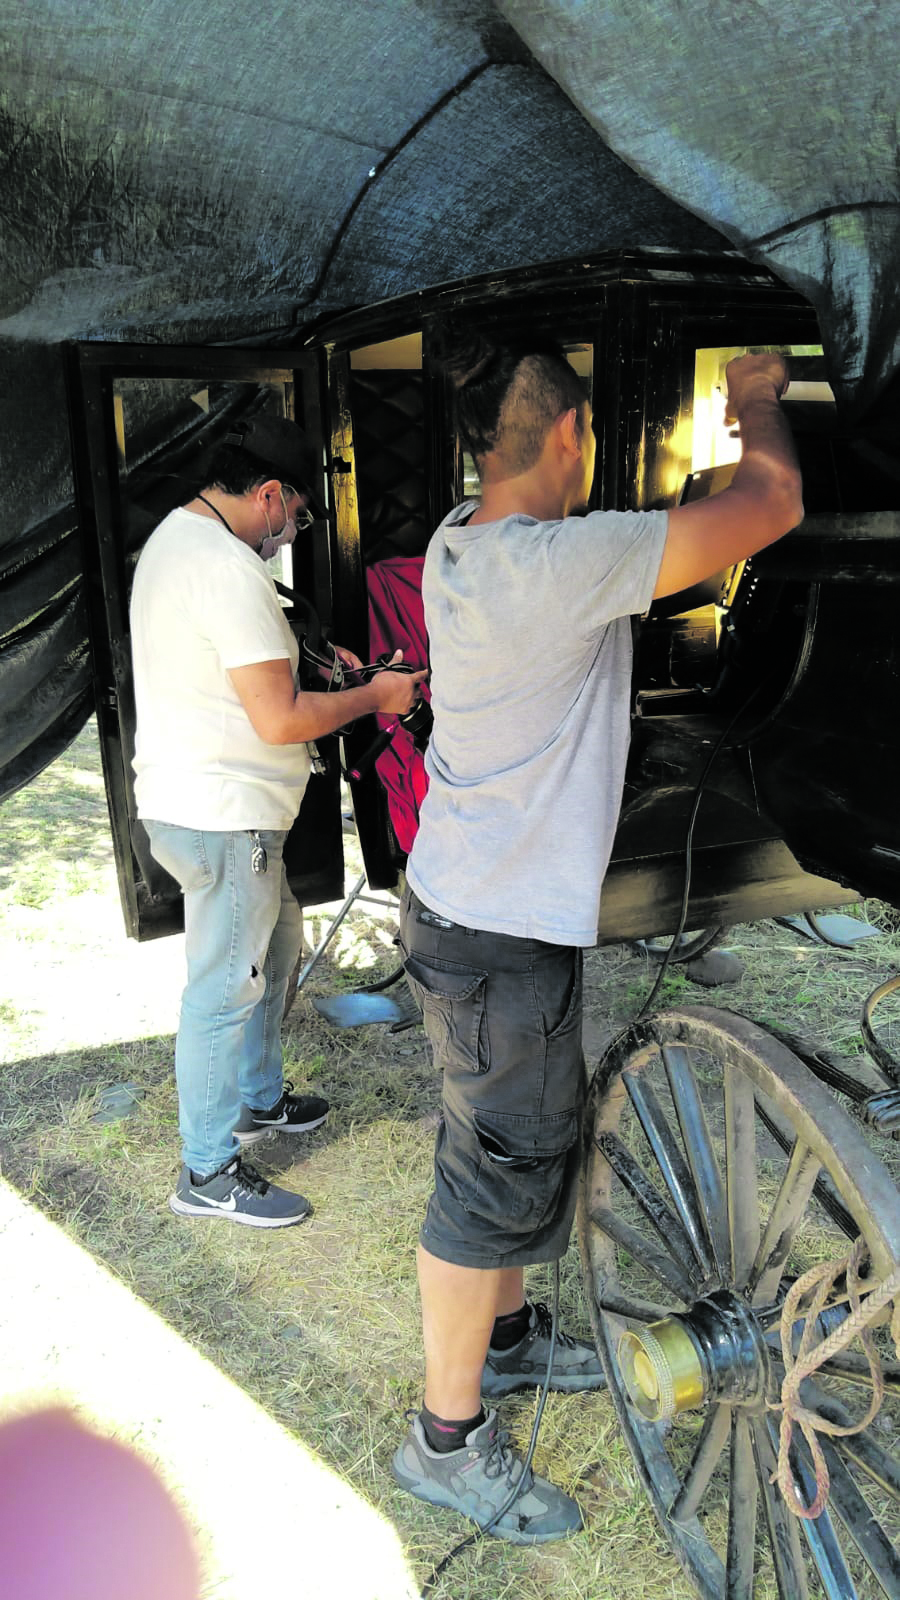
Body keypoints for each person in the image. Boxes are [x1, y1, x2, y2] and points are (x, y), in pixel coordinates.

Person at [391, 332, 802, 1540]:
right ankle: (445, 1440)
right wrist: (755, 398)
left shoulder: (462, 538)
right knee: (488, 1181)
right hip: (498, 925)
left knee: (507, 1148)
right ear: (571, 437)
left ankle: (509, 1340)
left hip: (472, 905)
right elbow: (769, 502)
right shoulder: (564, 561)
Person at [130, 413, 425, 1228]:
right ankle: (206, 1171)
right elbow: (281, 718)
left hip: (221, 807)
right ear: (267, 494)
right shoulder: (225, 569)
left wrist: (346, 674)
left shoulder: (176, 542)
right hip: (223, 817)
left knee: (277, 948)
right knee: (224, 989)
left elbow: (248, 681)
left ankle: (257, 1098)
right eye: (295, 515)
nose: (293, 531)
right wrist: (378, 695)